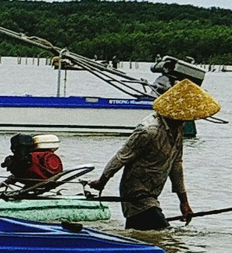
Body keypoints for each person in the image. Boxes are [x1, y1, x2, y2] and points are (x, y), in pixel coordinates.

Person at [88, 80, 218, 230]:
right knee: (165, 235)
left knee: (138, 233)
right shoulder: (148, 131)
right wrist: (102, 181)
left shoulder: (178, 129)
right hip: (137, 194)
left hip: (153, 193)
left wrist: (184, 202)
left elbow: (176, 165)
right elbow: (121, 157)